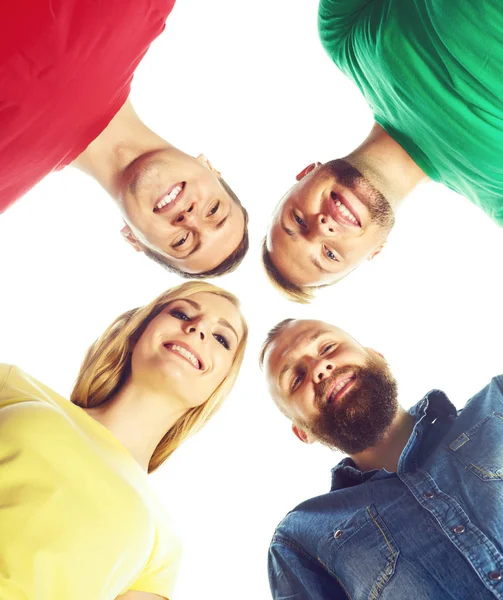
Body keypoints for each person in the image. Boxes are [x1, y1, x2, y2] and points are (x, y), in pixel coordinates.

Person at [0, 281, 248, 600]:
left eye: (221, 338)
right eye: (181, 312)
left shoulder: (163, 543)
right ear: (139, 332)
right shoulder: (13, 384)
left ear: (218, 385)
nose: (198, 328)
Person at [263, 0, 503, 302]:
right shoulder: (499, 199)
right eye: (329, 254)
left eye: (298, 221)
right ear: (376, 250)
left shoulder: (342, 36)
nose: (322, 228)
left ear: (305, 173)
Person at [0, 1, 248, 278]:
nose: (189, 218)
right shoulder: (144, 7)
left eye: (181, 241)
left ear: (134, 239)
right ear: (210, 167)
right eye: (214, 210)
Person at [261, 317, 503, 599]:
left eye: (327, 347)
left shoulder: (498, 399)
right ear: (303, 432)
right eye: (297, 378)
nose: (319, 368)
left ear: (377, 356)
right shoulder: (299, 541)